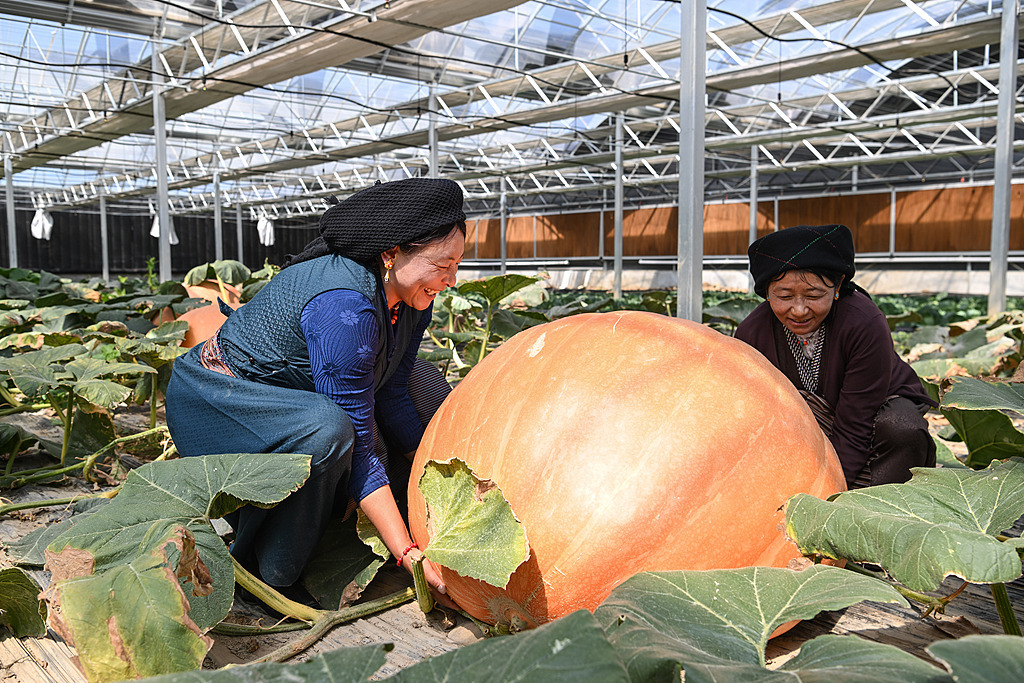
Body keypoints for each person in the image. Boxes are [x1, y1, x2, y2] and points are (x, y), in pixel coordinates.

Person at [165, 177, 465, 607]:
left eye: (457, 264)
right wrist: (406, 553)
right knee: (330, 431)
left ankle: (337, 518)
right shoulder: (346, 307)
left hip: (292, 401)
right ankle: (266, 570)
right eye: (442, 265)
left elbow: (396, 389)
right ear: (392, 253)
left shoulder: (413, 297)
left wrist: (431, 473)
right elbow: (358, 444)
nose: (451, 279)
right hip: (218, 402)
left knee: (422, 381)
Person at [734, 223, 936, 489]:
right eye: (784, 296)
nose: (798, 309)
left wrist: (828, 497)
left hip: (870, 417)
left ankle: (881, 506)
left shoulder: (864, 322)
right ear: (767, 294)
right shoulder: (752, 333)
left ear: (838, 286)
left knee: (900, 428)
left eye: (813, 295)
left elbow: (855, 423)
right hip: (806, 425)